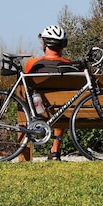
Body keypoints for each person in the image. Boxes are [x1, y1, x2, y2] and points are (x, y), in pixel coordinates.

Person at [24, 24, 71, 161]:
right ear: (63, 45)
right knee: (62, 107)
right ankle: (55, 149)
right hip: (62, 112)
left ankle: (25, 151)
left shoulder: (32, 64)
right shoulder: (70, 65)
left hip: (39, 111)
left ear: (45, 43)